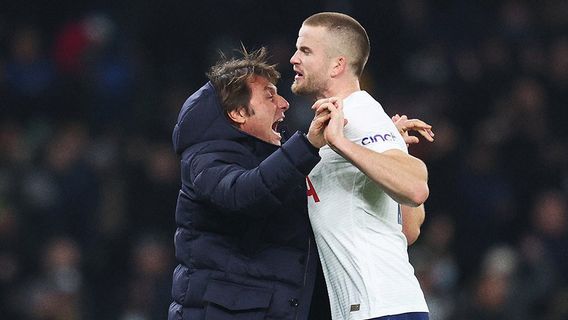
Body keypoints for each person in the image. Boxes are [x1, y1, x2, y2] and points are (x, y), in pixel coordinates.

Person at [167, 47, 338, 319]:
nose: (284, 103)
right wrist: (307, 145)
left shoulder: (275, 162)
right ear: (238, 112)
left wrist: (378, 146)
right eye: (269, 95)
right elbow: (242, 193)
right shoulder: (204, 158)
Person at [290, 12, 432, 320]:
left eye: (305, 51)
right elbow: (407, 231)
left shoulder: (360, 114)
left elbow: (415, 188)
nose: (293, 59)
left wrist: (343, 143)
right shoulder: (338, 120)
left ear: (337, 65)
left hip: (380, 308)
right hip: (378, 307)